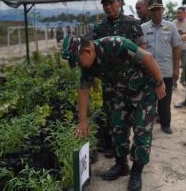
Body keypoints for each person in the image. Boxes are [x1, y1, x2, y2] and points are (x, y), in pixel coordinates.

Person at [61, 35, 165, 191]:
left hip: (144, 91)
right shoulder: (87, 65)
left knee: (141, 131)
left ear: (88, 51)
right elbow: (83, 90)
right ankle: (122, 165)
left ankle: (136, 171)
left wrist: (159, 82)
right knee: (117, 127)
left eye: (78, 61)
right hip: (121, 93)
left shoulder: (116, 44)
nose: (79, 66)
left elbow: (148, 58)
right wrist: (83, 121)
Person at [93, 0, 147, 158]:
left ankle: (136, 157)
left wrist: (143, 76)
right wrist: (95, 78)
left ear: (120, 3)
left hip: (132, 82)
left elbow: (142, 49)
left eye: (111, 3)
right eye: (105, 4)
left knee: (136, 121)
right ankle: (118, 155)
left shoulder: (132, 24)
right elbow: (95, 54)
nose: (108, 7)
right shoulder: (99, 28)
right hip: (110, 84)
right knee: (113, 120)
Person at [142, 0, 182, 134]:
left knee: (165, 99)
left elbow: (177, 47)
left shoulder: (171, 27)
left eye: (158, 9)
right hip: (148, 71)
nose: (156, 12)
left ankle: (165, 124)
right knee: (148, 99)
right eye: (153, 9)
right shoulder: (143, 28)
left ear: (163, 10)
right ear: (149, 11)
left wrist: (176, 68)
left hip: (166, 71)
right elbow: (140, 49)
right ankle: (147, 123)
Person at [172, 6, 186, 87]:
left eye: (180, 13)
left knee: (185, 66)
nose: (178, 15)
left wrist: (185, 34)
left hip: (185, 48)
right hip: (175, 48)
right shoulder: (172, 23)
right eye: (177, 13)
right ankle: (173, 83)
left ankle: (183, 80)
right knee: (173, 67)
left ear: (184, 13)